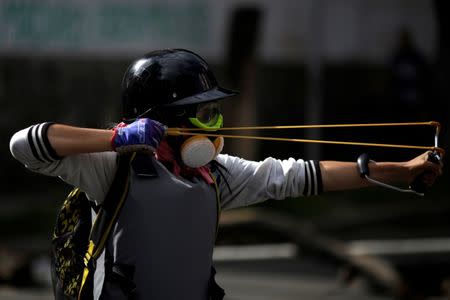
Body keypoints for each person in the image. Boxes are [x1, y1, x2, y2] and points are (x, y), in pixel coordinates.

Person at [9, 49, 442, 300]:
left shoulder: (214, 174)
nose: (215, 123)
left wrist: (401, 171)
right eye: (204, 113)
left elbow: (300, 176)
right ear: (167, 118)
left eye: (216, 112)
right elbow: (25, 145)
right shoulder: (112, 169)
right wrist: (117, 139)